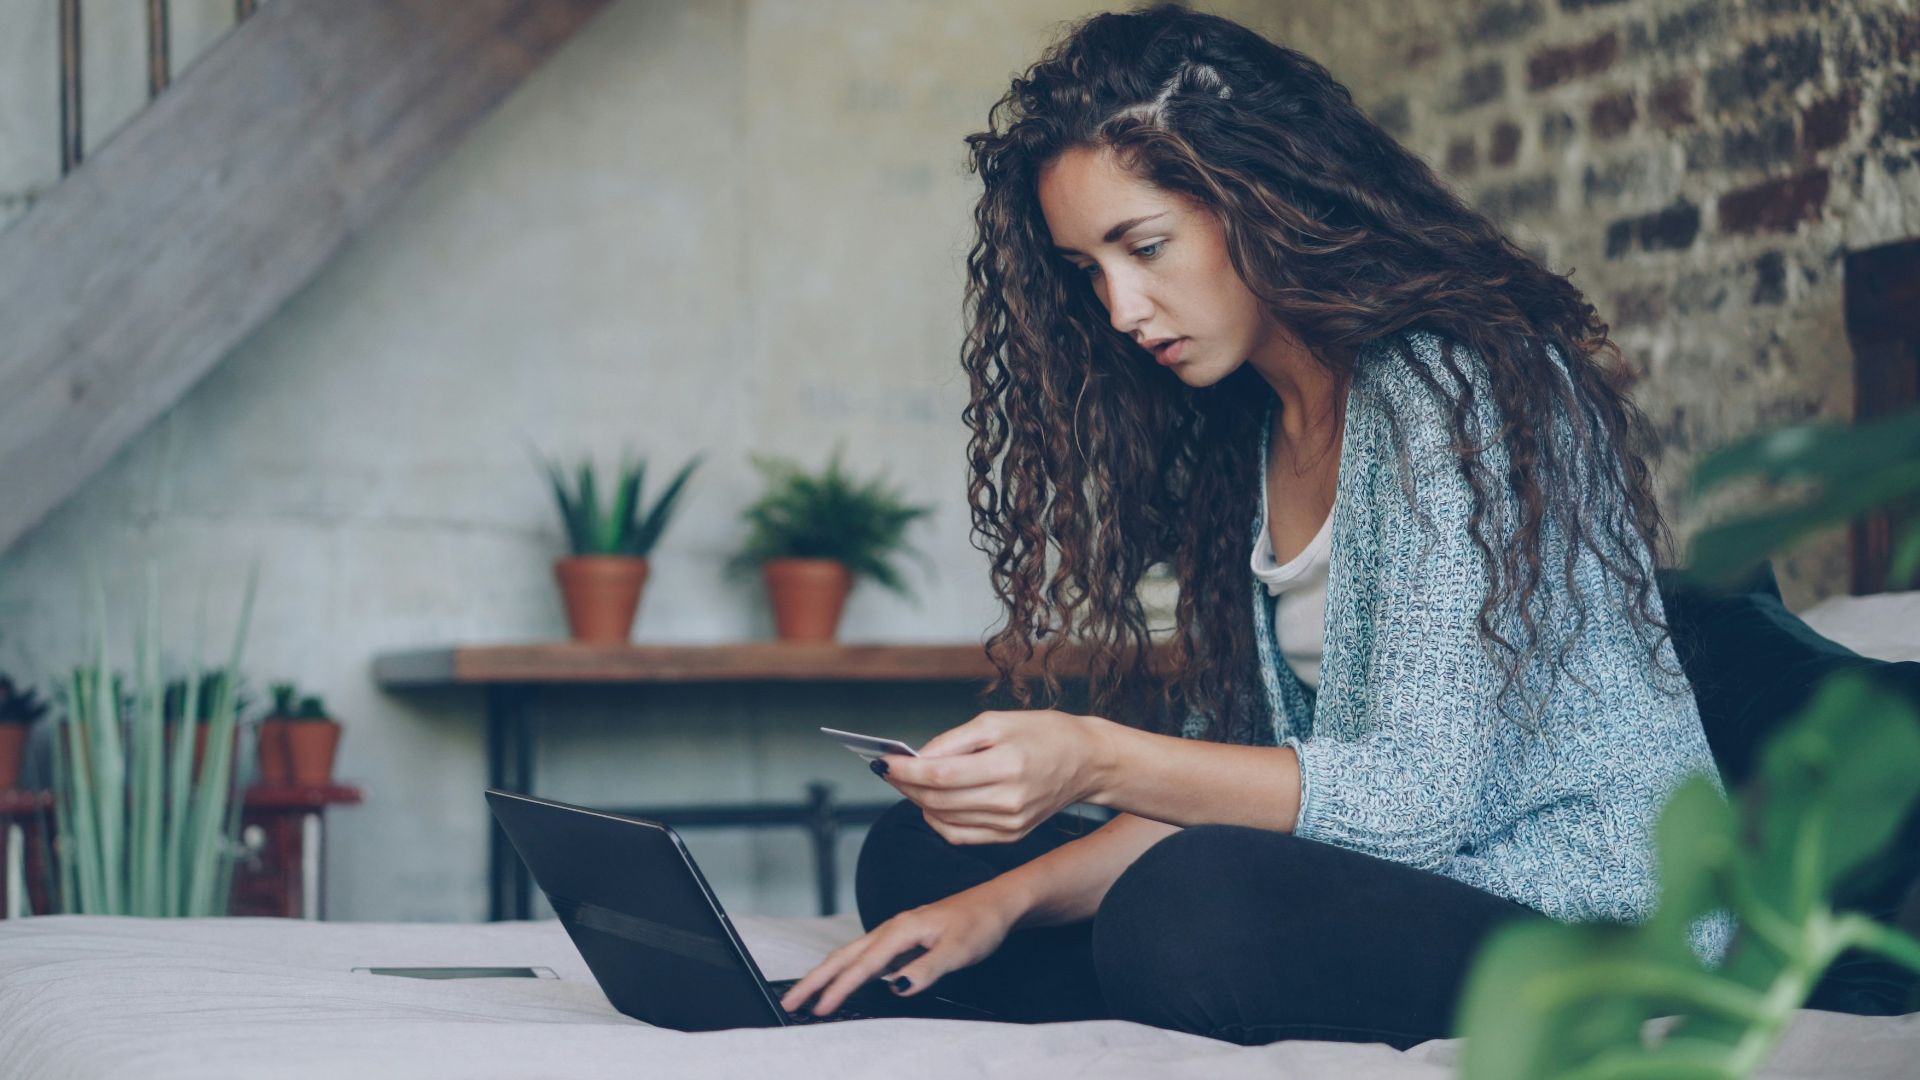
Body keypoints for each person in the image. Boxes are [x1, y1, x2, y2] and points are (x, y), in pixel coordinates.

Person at [778, 4, 1734, 1047]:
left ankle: (1134, 968)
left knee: (1190, 910)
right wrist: (999, 904)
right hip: (1389, 885)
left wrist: (1093, 757)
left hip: (1589, 919)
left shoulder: (1455, 388)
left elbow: (1416, 802)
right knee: (920, 867)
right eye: (1089, 270)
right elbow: (1252, 778)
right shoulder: (1253, 427)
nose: (1123, 309)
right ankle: (1052, 951)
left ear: (1259, 197)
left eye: (1144, 247)